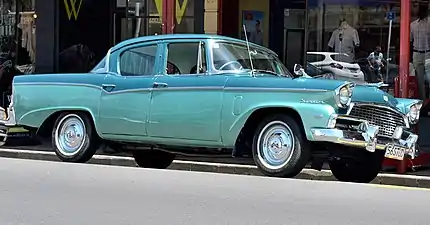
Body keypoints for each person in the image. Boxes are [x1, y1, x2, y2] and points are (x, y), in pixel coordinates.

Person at [411, 3, 430, 100]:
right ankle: (423, 103)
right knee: (419, 81)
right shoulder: (413, 25)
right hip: (416, 53)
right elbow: (409, 40)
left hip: (428, 53)